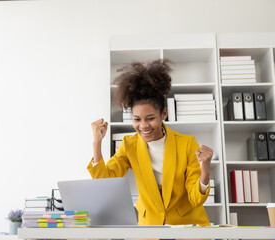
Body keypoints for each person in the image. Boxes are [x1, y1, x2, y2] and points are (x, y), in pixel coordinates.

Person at [87, 59, 213, 226]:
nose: (143, 126)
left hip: (186, 226)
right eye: (137, 119)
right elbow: (106, 181)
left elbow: (196, 199)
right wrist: (97, 143)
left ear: (164, 114)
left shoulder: (187, 144)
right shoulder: (129, 144)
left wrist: (205, 171)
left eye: (151, 118)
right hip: (150, 226)